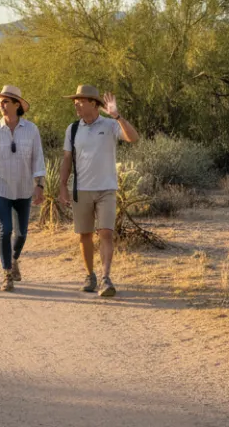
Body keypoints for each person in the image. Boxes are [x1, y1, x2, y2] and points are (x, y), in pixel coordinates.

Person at [57, 84, 140, 298]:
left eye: (81, 101)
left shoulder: (110, 125)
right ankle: (90, 275)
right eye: (75, 101)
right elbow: (67, 159)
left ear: (94, 104)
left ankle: (106, 277)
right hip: (82, 189)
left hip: (106, 189)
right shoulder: (73, 129)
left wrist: (117, 115)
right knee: (84, 234)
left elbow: (133, 138)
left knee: (105, 233)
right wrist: (62, 186)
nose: (76, 105)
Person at [0, 85, 45, 292]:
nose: (1, 105)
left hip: (23, 187)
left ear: (17, 105)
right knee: (6, 229)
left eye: (6, 102)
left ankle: (13, 259)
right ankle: (6, 274)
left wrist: (39, 184)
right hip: (0, 184)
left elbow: (37, 158)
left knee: (21, 233)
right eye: (0, 102)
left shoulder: (31, 129)